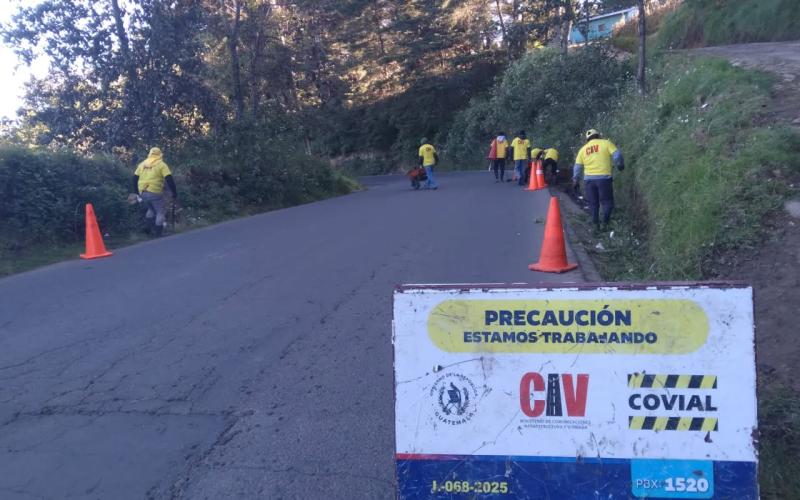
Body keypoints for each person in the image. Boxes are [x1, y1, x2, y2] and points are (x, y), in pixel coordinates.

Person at [573, 129, 625, 231]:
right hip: (604, 179)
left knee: (593, 203)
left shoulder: (583, 150)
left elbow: (577, 167)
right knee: (607, 202)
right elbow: (617, 155)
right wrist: (620, 165)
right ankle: (605, 223)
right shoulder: (606, 143)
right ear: (598, 135)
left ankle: (595, 225)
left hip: (589, 181)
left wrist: (575, 180)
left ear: (587, 139)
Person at [131, 147, 178, 237]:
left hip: (143, 192)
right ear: (160, 155)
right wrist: (174, 192)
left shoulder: (142, 164)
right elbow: (169, 179)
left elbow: (134, 178)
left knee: (151, 209)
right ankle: (158, 233)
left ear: (150, 154)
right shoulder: (161, 164)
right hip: (154, 192)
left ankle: (148, 230)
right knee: (160, 212)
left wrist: (136, 193)